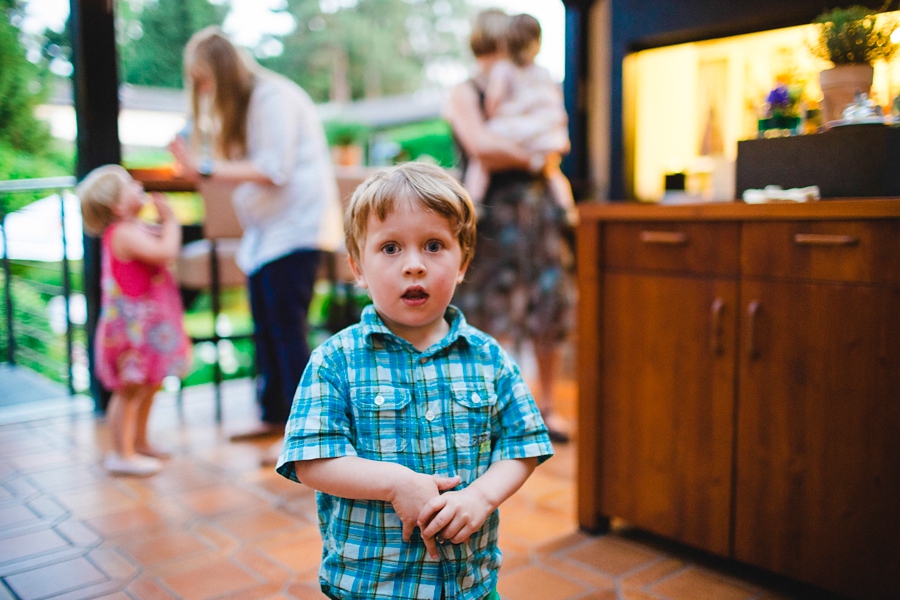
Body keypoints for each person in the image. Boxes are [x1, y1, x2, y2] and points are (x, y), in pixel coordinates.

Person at [275, 162, 554, 600]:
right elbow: (311, 460)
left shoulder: (489, 358)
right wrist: (394, 483)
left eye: (433, 246)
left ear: (462, 262)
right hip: (373, 586)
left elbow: (522, 446)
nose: (413, 266)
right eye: (390, 248)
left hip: (470, 584)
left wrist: (481, 497)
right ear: (358, 268)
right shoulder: (335, 361)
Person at [168, 27, 344, 445]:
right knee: (266, 327)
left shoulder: (272, 97)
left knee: (287, 331)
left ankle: (306, 434)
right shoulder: (249, 104)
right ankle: (274, 418)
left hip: (298, 229)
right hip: (267, 235)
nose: (203, 90)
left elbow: (273, 169)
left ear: (219, 72)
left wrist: (203, 168)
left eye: (204, 80)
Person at [446, 10, 575, 442]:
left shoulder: (531, 84)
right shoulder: (465, 91)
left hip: (538, 213)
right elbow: (482, 146)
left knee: (548, 304)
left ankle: (546, 407)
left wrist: (537, 154)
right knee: (489, 310)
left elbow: (554, 138)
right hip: (490, 214)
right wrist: (534, 156)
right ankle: (487, 411)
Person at [78, 165, 191, 476]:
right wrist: (171, 220)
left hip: (145, 327)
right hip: (131, 331)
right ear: (117, 205)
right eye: (129, 184)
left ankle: (139, 442)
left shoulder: (134, 228)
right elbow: (164, 253)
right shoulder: (123, 233)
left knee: (149, 384)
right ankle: (121, 453)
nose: (138, 184)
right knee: (128, 390)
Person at [465, 13, 575, 224]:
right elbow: (554, 102)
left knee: (480, 164)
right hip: (542, 131)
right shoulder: (543, 72)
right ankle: (566, 207)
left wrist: (491, 115)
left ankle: (474, 202)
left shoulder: (504, 70)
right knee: (553, 170)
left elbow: (494, 99)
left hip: (514, 128)